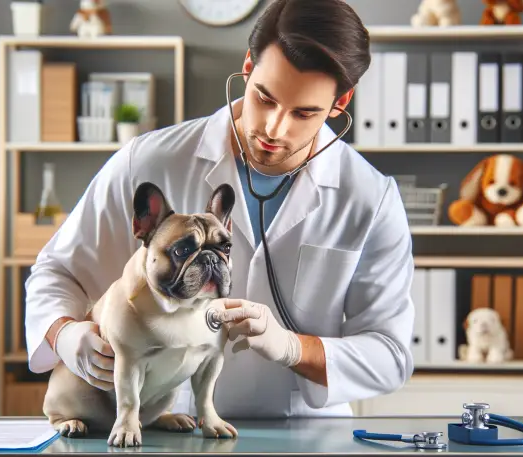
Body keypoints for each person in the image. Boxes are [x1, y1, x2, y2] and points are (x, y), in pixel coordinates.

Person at [24, 0, 415, 419]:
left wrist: (292, 348)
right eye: (265, 98)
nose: (274, 129)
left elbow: (390, 355)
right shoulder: (150, 160)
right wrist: (64, 334)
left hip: (299, 432)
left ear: (341, 103)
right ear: (248, 66)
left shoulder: (370, 198)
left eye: (304, 113)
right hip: (164, 426)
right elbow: (56, 271)